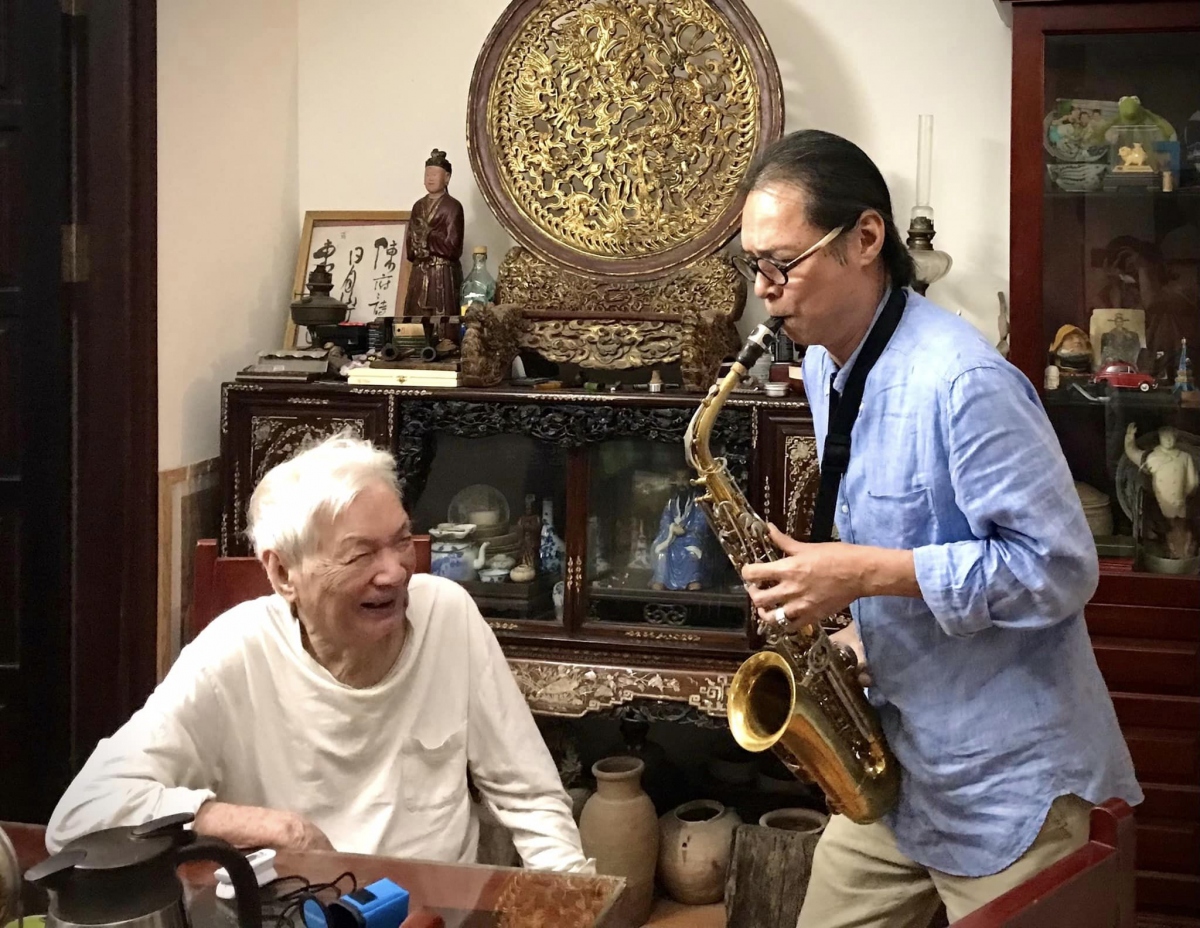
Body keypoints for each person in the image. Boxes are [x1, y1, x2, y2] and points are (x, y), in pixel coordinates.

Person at [735, 129, 1141, 927]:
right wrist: (856, 639)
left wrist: (862, 574)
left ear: (866, 238)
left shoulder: (965, 382)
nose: (765, 292)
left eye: (782, 264)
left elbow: (1061, 570)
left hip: (1011, 789)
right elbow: (910, 530)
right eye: (754, 266)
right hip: (899, 767)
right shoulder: (823, 365)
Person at [46, 436, 591, 873]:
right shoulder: (234, 653)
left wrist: (575, 901)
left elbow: (531, 798)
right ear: (283, 573)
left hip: (432, 913)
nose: (395, 572)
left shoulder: (448, 615)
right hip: (295, 912)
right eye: (360, 554)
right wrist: (272, 828)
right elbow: (82, 813)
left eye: (401, 540)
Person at [403, 149, 465, 333]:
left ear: (447, 178)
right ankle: (414, 340)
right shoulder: (418, 206)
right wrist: (417, 242)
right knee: (416, 317)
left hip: (441, 271)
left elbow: (453, 246)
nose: (430, 178)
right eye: (427, 174)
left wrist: (428, 236)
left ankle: (445, 340)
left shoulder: (452, 206)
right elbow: (410, 244)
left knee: (442, 321)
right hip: (420, 269)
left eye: (435, 174)